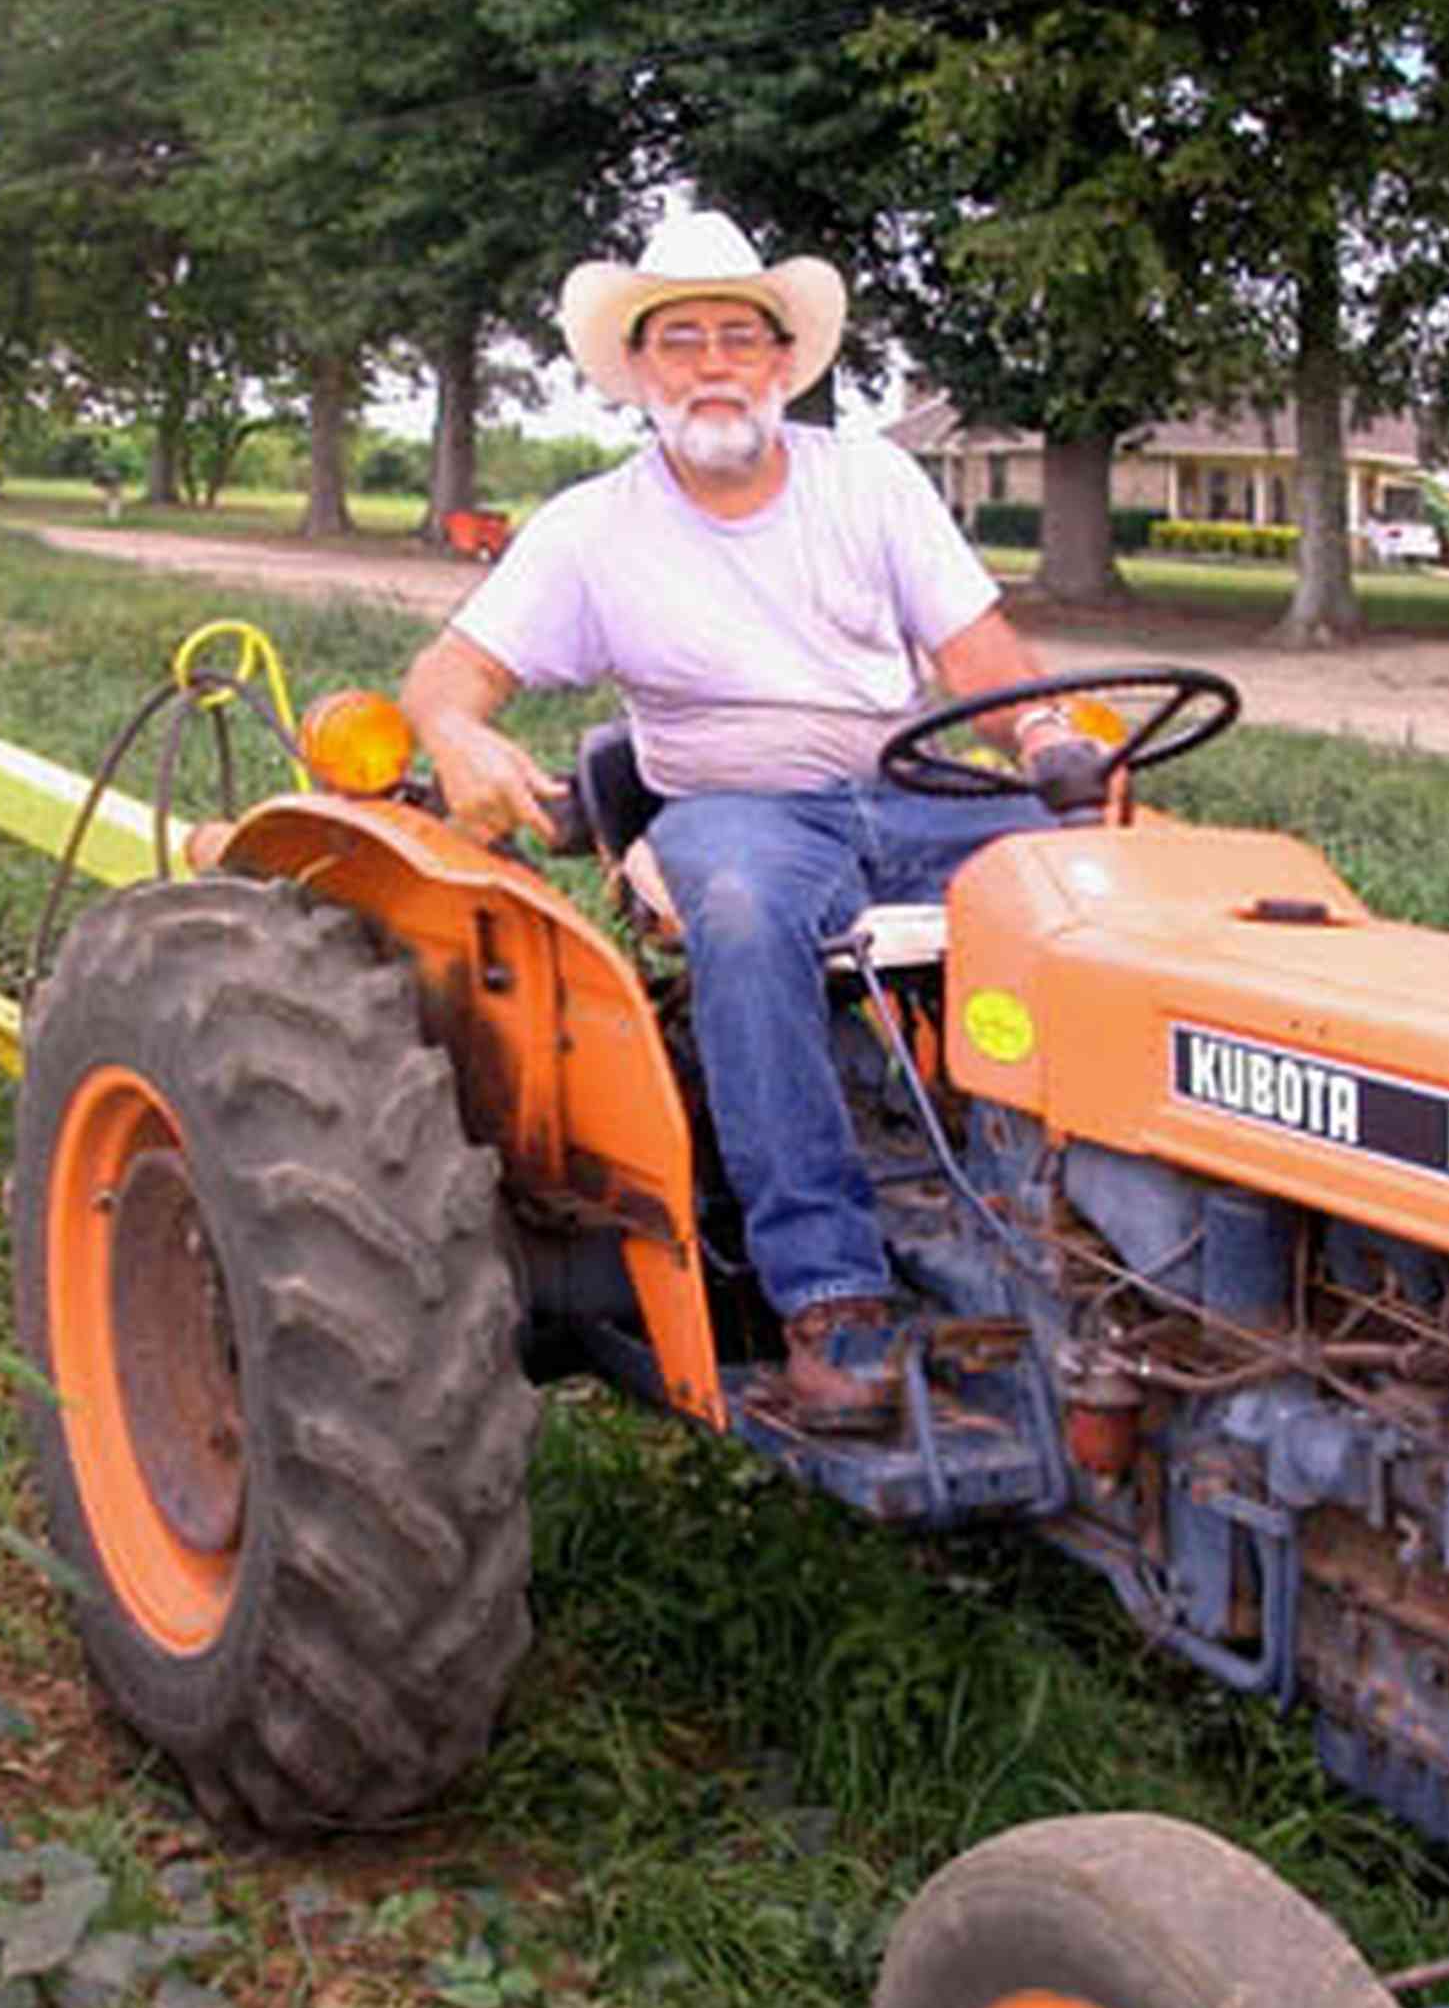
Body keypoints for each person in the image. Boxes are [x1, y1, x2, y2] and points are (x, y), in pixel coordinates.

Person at [399, 212, 1096, 1432]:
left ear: (783, 363)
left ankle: (1098, 1225)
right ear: (641, 375)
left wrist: (1046, 747)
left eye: (738, 335)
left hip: (906, 791)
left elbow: (976, 652)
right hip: (736, 808)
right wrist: (457, 737)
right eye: (681, 341)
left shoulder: (869, 477)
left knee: (1110, 882)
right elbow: (446, 678)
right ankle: (830, 1297)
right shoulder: (591, 528)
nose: (713, 361)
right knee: (741, 908)